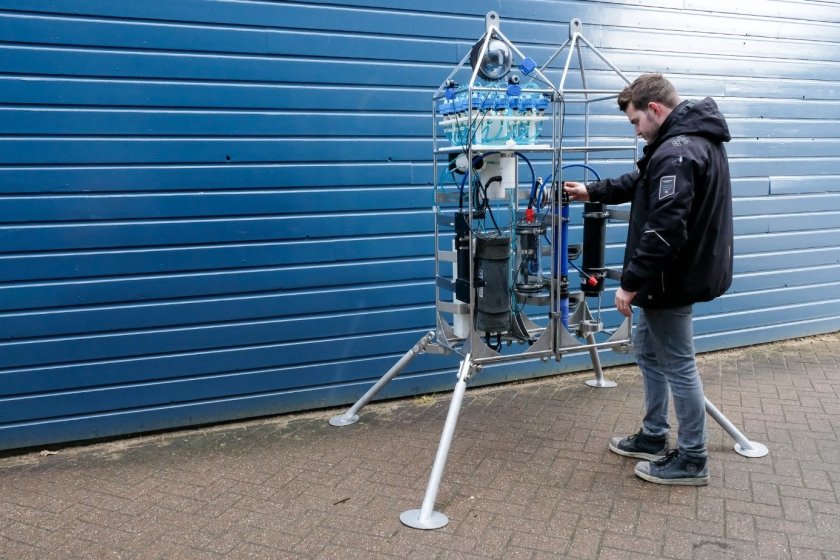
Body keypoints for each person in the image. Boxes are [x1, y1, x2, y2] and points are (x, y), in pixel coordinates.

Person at [563, 73, 734, 486]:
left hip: (670, 278)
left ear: (654, 110)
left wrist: (630, 283)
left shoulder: (678, 151)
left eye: (636, 122)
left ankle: (693, 458)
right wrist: (591, 190)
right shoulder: (683, 143)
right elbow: (642, 184)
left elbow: (664, 229)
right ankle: (654, 435)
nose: (637, 132)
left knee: (678, 365)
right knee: (647, 350)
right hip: (672, 275)